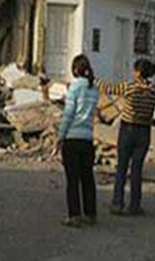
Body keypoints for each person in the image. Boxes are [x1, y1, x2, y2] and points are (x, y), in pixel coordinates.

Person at [96, 58, 155, 216]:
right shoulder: (154, 91)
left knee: (122, 168)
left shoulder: (130, 87)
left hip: (128, 129)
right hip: (144, 131)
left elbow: (109, 88)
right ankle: (135, 205)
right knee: (137, 170)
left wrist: (94, 79)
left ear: (138, 72)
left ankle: (117, 203)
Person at [58, 54, 100, 228]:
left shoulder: (74, 88)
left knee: (72, 180)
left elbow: (68, 114)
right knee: (87, 178)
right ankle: (90, 214)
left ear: (75, 70)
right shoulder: (94, 88)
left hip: (72, 138)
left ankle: (74, 215)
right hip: (87, 138)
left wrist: (61, 136)